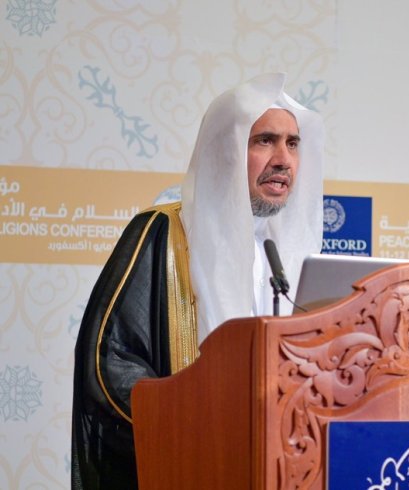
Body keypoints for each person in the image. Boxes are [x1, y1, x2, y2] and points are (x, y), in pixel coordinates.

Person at [70, 73, 324, 489]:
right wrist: (190, 415)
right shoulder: (163, 234)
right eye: (264, 140)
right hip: (189, 465)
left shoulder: (295, 254)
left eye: (293, 144)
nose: (283, 159)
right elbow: (107, 361)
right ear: (225, 149)